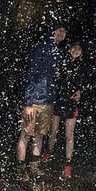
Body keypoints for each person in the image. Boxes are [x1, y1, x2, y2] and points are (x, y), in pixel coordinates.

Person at [17, 24, 66, 171]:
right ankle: (20, 167)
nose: (61, 34)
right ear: (52, 32)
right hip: (34, 101)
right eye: (59, 31)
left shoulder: (59, 52)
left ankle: (34, 166)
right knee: (25, 134)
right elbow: (31, 76)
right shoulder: (41, 50)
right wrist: (28, 103)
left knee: (40, 134)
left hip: (49, 101)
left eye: (64, 32)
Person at [43, 39, 84, 178]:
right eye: (74, 47)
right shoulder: (62, 61)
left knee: (69, 135)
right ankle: (49, 151)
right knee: (53, 130)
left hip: (72, 103)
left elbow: (85, 82)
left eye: (79, 48)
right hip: (58, 100)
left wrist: (81, 91)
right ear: (70, 48)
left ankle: (68, 163)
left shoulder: (82, 65)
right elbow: (54, 78)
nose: (76, 50)